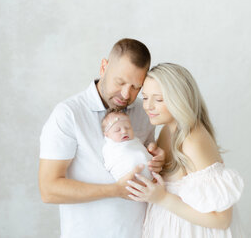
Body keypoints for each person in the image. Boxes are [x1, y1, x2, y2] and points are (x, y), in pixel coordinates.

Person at [39, 38, 165, 238]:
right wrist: (115, 190)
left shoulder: (144, 112)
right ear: (104, 67)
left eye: (136, 87)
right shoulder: (69, 114)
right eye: (120, 82)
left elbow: (147, 167)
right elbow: (49, 189)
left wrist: (157, 161)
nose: (126, 94)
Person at [126, 63, 244, 237]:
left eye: (158, 99)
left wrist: (163, 199)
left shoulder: (192, 139)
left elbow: (222, 220)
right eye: (144, 98)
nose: (148, 106)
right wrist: (160, 161)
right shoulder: (168, 130)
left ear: (179, 99)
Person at [101, 109, 153, 180]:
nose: (124, 131)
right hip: (128, 179)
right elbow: (110, 165)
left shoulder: (136, 141)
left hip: (150, 177)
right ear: (107, 135)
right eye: (117, 130)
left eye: (128, 128)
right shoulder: (110, 148)